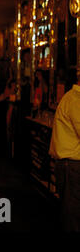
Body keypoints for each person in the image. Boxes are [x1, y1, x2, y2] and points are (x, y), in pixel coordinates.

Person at [49, 67, 80, 232]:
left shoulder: (72, 98)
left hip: (70, 165)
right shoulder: (76, 100)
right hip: (71, 166)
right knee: (72, 215)